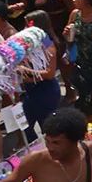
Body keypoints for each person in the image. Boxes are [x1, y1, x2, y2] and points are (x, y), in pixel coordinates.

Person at [0, 107, 92, 182]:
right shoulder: (36, 160)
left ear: (74, 140)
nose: (50, 148)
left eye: (56, 143)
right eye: (47, 141)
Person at [20, 10, 63, 140]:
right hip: (31, 91)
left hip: (45, 93)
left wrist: (25, 71)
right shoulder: (30, 44)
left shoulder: (48, 45)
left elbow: (49, 74)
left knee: (49, 131)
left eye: (27, 25)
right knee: (25, 126)